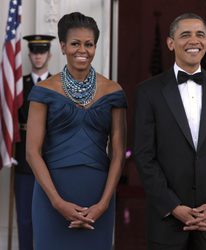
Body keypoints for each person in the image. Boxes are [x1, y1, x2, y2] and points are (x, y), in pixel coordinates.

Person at [133, 13, 206, 250]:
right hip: (166, 222)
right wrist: (173, 207)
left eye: (200, 34)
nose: (194, 40)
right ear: (170, 43)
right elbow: (144, 156)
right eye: (185, 35)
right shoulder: (148, 91)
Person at [26, 12, 127, 250]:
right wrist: (57, 202)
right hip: (51, 195)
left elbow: (119, 153)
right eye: (75, 43)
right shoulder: (43, 91)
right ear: (62, 46)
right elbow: (32, 152)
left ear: (95, 47)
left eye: (89, 44)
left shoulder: (114, 91)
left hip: (98, 195)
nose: (82, 50)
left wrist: (102, 204)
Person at [14, 34, 55, 250]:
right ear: (29, 54)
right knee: (24, 219)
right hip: (24, 159)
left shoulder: (57, 84)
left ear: (49, 54)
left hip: (52, 159)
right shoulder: (18, 86)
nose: (38, 56)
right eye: (35, 52)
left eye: (42, 52)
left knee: (51, 218)